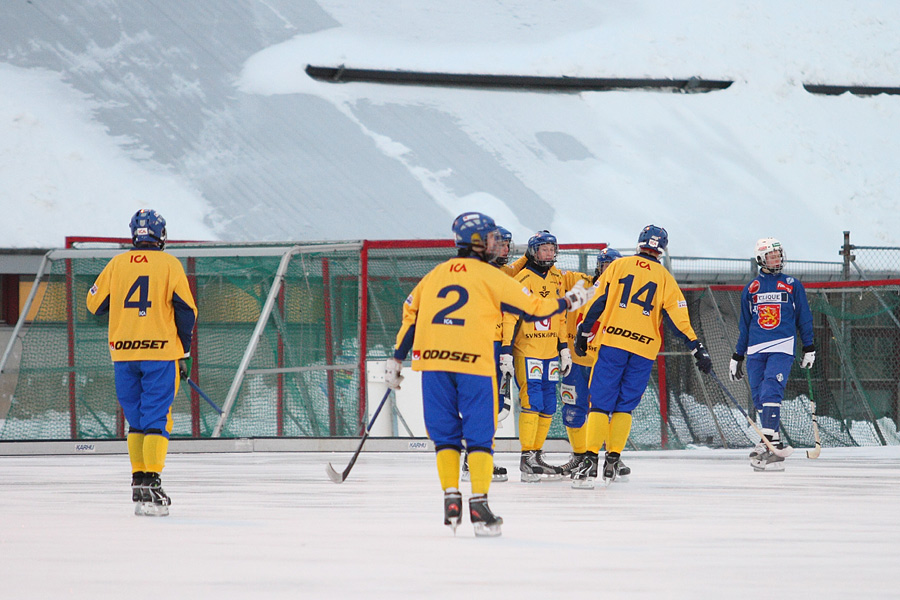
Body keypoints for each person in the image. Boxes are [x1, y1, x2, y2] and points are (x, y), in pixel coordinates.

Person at [384, 212, 592, 536]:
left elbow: (411, 315)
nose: (498, 243)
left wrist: (397, 359)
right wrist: (570, 300)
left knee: (446, 438)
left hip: (435, 366)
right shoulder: (490, 276)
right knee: (480, 437)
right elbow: (535, 307)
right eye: (493, 238)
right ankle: (479, 507)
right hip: (474, 364)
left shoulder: (436, 274)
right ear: (480, 242)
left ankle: (451, 497)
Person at [573, 225, 712, 488]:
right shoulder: (664, 277)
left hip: (613, 343)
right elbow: (678, 319)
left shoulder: (618, 266)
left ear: (640, 243)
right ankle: (613, 460)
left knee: (601, 404)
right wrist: (696, 346)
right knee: (624, 406)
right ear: (662, 249)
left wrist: (583, 331)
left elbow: (598, 301)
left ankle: (591, 462)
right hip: (643, 350)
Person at [86, 209, 197, 516]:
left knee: (136, 420)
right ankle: (152, 482)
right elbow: (187, 310)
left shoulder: (117, 264)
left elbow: (94, 304)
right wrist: (184, 351)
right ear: (161, 236)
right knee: (157, 418)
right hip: (160, 354)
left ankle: (138, 482)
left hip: (123, 354)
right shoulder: (170, 264)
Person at [501, 230, 590, 482]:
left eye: (552, 249)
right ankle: (526, 458)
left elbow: (561, 316)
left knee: (549, 404)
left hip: (551, 352)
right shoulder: (523, 277)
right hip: (527, 350)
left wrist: (564, 348)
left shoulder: (557, 278)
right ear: (533, 251)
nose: (549, 253)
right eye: (544, 249)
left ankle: (536, 455)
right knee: (532, 401)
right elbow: (510, 314)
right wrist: (506, 350)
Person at [729, 237, 815, 471]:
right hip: (756, 349)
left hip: (782, 345)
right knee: (759, 398)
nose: (777, 260)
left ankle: (767, 443)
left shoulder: (792, 284)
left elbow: (804, 317)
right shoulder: (751, 288)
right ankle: (773, 443)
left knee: (771, 390)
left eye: (778, 255)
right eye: (772, 256)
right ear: (761, 259)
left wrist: (809, 347)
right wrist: (738, 355)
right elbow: (745, 325)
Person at [557, 247, 630, 478]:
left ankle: (612, 456)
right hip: (576, 359)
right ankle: (579, 456)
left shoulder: (624, 293)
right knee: (573, 408)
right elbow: (551, 273)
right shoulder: (581, 282)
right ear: (599, 266)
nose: (609, 269)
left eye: (613, 265)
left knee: (605, 411)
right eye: (605, 264)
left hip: (605, 361)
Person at [461, 226, 525, 483]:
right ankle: (472, 460)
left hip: (496, 345)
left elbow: (511, 272)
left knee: (493, 406)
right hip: (481, 345)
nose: (506, 250)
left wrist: (530, 257)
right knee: (482, 404)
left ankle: (478, 458)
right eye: (501, 245)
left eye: (509, 245)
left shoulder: (497, 271)